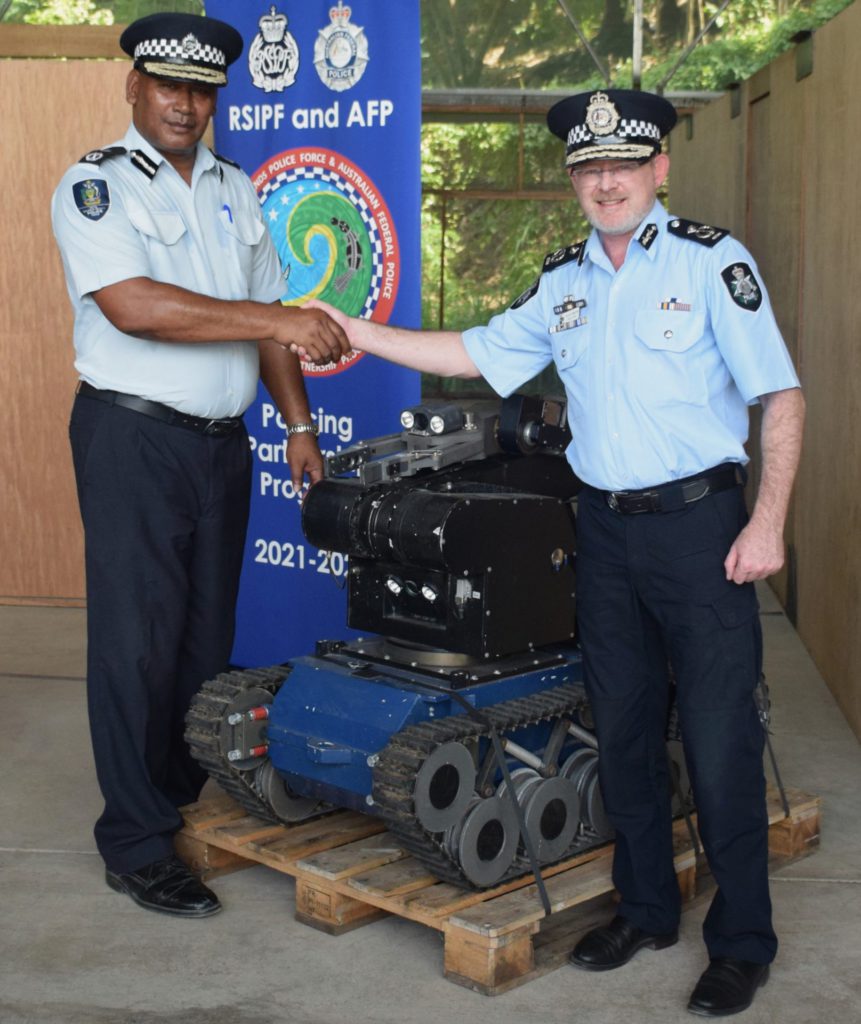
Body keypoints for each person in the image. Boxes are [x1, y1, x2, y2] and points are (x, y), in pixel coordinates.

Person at [298, 90, 805, 1017]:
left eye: (623, 162)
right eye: (587, 166)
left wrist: (765, 522)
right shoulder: (563, 281)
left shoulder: (709, 263)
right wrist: (347, 328)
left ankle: (741, 942)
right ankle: (648, 909)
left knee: (722, 743)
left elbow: (780, 397)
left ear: (657, 169)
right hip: (603, 534)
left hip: (700, 531)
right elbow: (468, 352)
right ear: (573, 179)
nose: (605, 180)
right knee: (620, 733)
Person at [51, 13, 349, 919]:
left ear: (217, 96)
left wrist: (297, 423)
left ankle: (173, 796)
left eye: (201, 89)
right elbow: (137, 306)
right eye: (168, 86)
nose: (185, 104)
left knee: (201, 640)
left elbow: (266, 315)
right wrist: (273, 321)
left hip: (223, 447)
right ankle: (135, 843)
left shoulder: (234, 188)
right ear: (134, 87)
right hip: (133, 439)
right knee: (134, 647)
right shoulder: (95, 186)